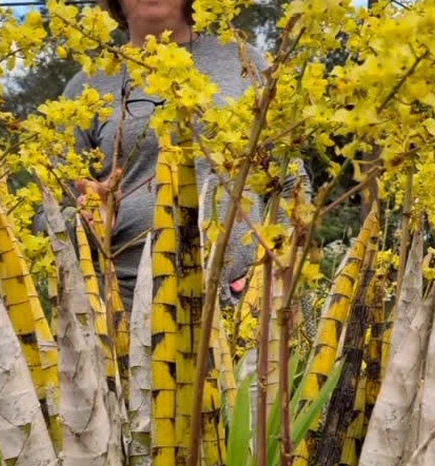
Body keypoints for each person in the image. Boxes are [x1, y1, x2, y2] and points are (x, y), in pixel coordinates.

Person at [40, 0, 312, 314]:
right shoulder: (87, 85)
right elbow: (51, 210)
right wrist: (87, 221)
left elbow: (289, 181)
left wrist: (275, 274)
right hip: (126, 306)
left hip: (236, 300)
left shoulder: (242, 59)